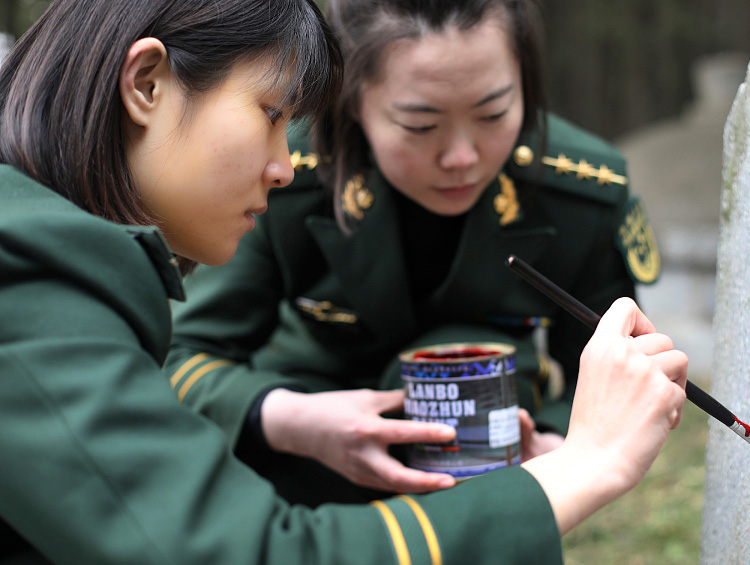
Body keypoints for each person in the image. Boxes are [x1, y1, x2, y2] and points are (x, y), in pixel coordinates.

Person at [0, 1, 687, 563]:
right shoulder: (34, 282)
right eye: (272, 115)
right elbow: (252, 549)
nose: (280, 166)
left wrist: (558, 441)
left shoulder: (45, 251)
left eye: (492, 112)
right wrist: (585, 466)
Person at [165, 0, 663, 507]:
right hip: (311, 480)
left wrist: (559, 445)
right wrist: (287, 419)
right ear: (352, 102)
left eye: (493, 114)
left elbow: (601, 366)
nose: (462, 157)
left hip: (493, 484)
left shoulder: (581, 193)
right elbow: (181, 357)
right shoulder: (285, 176)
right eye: (421, 125)